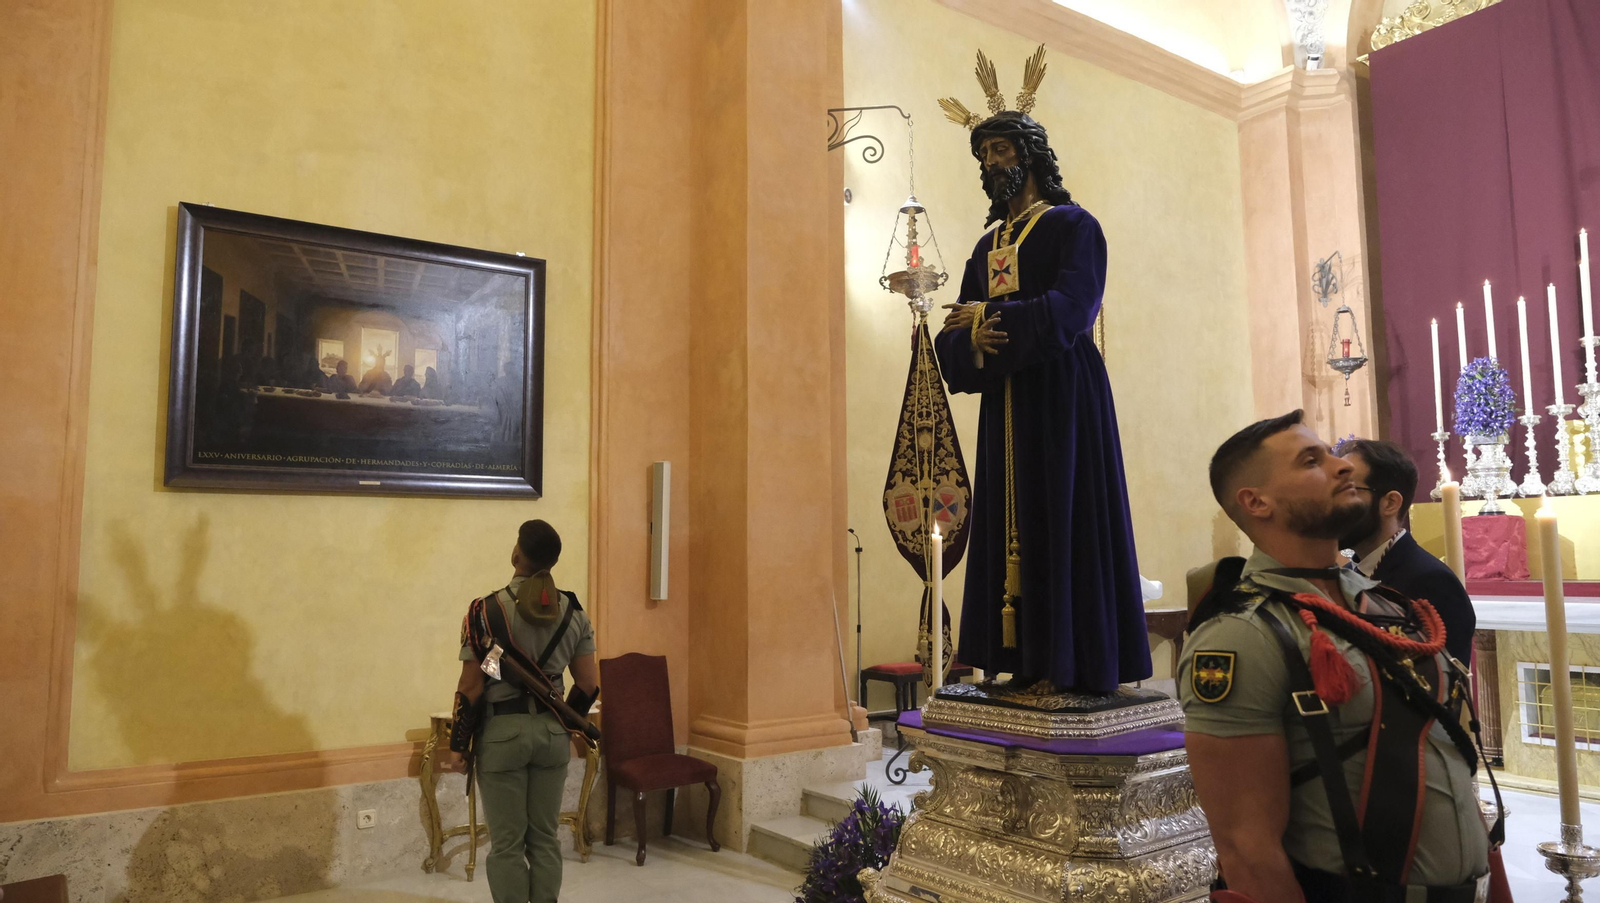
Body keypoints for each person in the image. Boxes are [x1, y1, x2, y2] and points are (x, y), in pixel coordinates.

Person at [1181, 410, 1494, 903]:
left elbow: (1441, 752)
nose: (1342, 465)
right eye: (1312, 460)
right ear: (1256, 501)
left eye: (1329, 452)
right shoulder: (1242, 634)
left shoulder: (1389, 604)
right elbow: (1246, 847)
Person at [932, 46, 1150, 692]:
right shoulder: (986, 246)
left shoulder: (1074, 227)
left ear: (1031, 155)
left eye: (1000, 151)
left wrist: (991, 322)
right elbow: (953, 341)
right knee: (1008, 517)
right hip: (1008, 403)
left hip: (1063, 397)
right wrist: (976, 332)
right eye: (983, 156)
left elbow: (1071, 310)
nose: (991, 164)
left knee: (1063, 512)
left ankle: (1069, 664)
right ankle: (1021, 659)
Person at [448, 520, 598, 903]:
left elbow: (472, 686)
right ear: (554, 561)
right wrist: (566, 725)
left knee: (508, 844)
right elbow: (587, 684)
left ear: (516, 554)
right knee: (545, 838)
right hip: (551, 736)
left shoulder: (483, 611)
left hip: (502, 736)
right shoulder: (574, 612)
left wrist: (458, 744)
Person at [1338, 438, 1476, 666]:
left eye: (1348, 491)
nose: (1334, 506)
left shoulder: (1431, 581)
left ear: (1390, 503)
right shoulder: (1346, 573)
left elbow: (1442, 686)